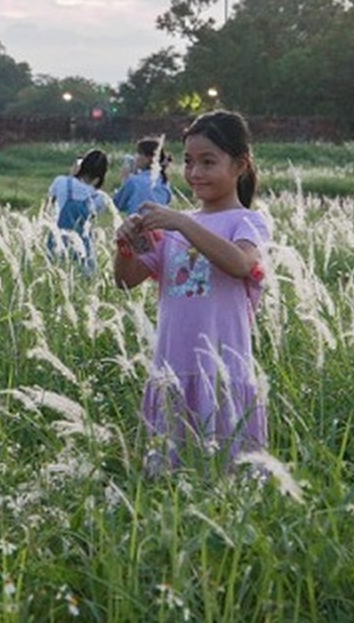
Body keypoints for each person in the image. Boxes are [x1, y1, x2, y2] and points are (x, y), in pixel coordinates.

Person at [113, 110, 270, 470]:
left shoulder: (247, 221)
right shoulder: (173, 229)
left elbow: (241, 264)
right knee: (171, 479)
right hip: (173, 364)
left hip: (223, 367)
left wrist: (181, 222)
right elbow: (126, 280)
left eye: (208, 162)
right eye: (189, 162)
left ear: (240, 165)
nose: (195, 173)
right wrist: (124, 247)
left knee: (225, 477)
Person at [46, 149, 110, 274]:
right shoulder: (99, 198)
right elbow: (92, 220)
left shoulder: (61, 182)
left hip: (56, 241)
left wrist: (71, 175)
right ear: (98, 179)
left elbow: (50, 204)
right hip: (83, 250)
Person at [113, 136, 173, 214]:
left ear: (149, 158)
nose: (135, 157)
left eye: (139, 153)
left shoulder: (133, 181)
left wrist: (125, 180)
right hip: (161, 224)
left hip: (139, 224)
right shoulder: (163, 181)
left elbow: (117, 205)